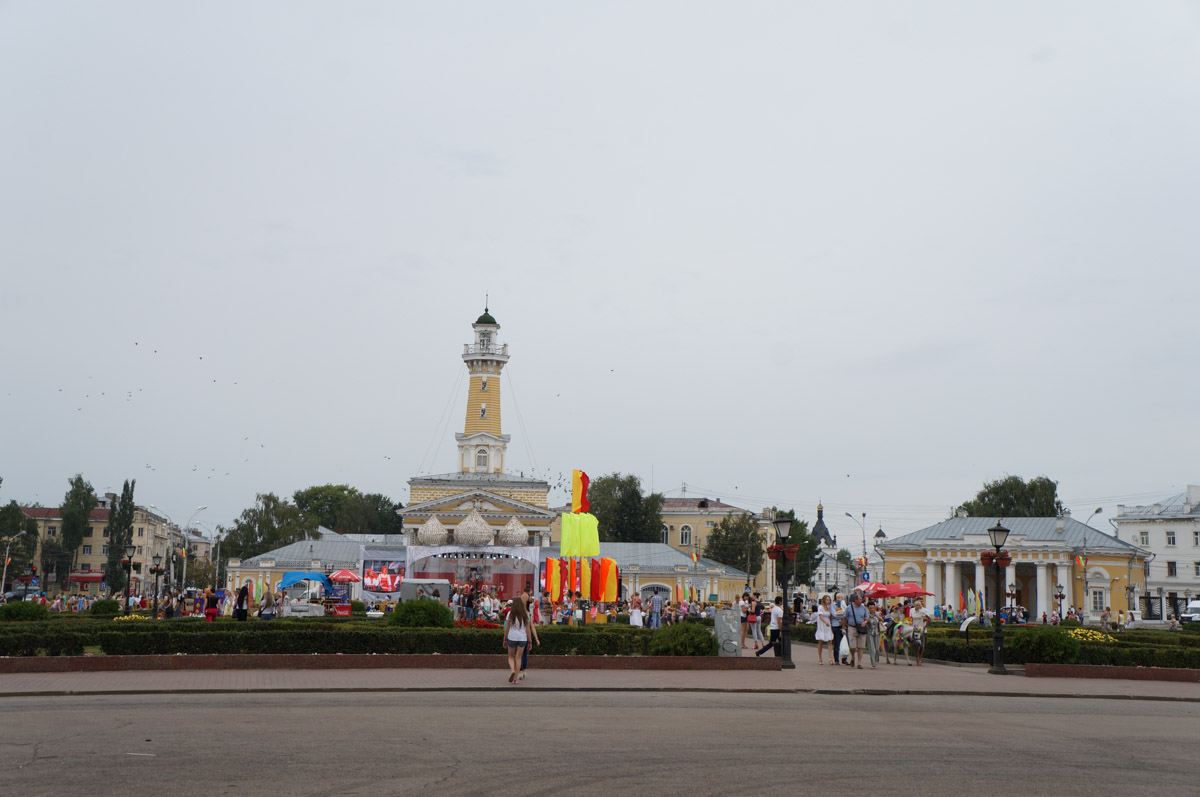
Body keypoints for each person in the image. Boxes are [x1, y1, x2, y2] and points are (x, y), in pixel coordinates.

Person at [502, 596, 538, 684]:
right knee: (518, 658)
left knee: (511, 657)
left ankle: (512, 671)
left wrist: (504, 639)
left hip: (512, 637)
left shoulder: (510, 613)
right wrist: (530, 641)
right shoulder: (526, 614)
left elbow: (507, 627)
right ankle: (515, 679)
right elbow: (528, 629)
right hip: (522, 638)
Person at [845, 592, 869, 669]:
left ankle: (859, 663)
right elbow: (845, 618)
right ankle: (852, 657)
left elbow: (867, 617)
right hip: (852, 628)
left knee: (860, 646)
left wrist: (865, 622)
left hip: (861, 628)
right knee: (852, 646)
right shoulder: (849, 608)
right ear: (855, 600)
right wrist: (843, 628)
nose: (862, 600)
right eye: (860, 599)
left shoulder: (864, 608)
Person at [910, 598, 932, 666]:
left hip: (921, 630)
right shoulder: (912, 610)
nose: (918, 606)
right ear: (914, 605)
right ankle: (917, 659)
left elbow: (929, 619)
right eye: (917, 605)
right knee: (916, 645)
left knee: (922, 645)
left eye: (919, 605)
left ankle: (920, 658)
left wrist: (925, 626)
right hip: (914, 630)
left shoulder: (922, 611)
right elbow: (910, 619)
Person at [815, 595, 834, 664]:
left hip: (828, 624)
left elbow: (829, 616)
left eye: (829, 600)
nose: (828, 601)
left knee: (830, 641)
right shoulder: (820, 607)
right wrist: (825, 622)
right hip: (822, 624)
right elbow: (820, 616)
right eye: (827, 600)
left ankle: (831, 658)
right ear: (824, 600)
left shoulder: (829, 608)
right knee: (821, 641)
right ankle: (820, 658)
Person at [831, 592, 847, 665]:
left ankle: (844, 659)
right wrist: (841, 615)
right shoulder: (833, 605)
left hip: (843, 625)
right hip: (836, 625)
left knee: (844, 642)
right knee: (837, 643)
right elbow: (834, 614)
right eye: (838, 598)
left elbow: (845, 614)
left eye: (840, 598)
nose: (839, 599)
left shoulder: (843, 604)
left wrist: (840, 615)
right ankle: (836, 659)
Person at [865, 601, 882, 669]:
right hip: (870, 633)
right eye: (870, 608)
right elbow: (864, 623)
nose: (871, 609)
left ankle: (876, 659)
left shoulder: (877, 614)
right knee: (872, 648)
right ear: (868, 608)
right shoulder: (866, 615)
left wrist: (880, 618)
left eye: (873, 608)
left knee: (877, 648)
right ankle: (873, 663)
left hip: (877, 632)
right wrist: (866, 621)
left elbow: (882, 620)